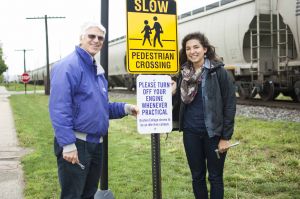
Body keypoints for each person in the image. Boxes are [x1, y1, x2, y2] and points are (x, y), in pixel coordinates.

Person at [49, 21, 139, 199]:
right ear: (81, 38)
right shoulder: (69, 66)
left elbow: (101, 107)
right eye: (91, 36)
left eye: (100, 38)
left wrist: (127, 108)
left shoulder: (96, 70)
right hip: (76, 143)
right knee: (72, 195)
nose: (96, 40)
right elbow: (59, 108)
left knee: (88, 195)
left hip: (96, 144)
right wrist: (67, 145)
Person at [172, 32, 236, 199]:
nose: (192, 51)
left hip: (214, 134)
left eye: (196, 47)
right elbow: (179, 102)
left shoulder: (219, 72)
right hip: (191, 133)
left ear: (205, 49)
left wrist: (225, 137)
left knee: (215, 177)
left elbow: (229, 105)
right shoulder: (182, 74)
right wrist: (172, 92)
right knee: (197, 177)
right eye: (188, 48)